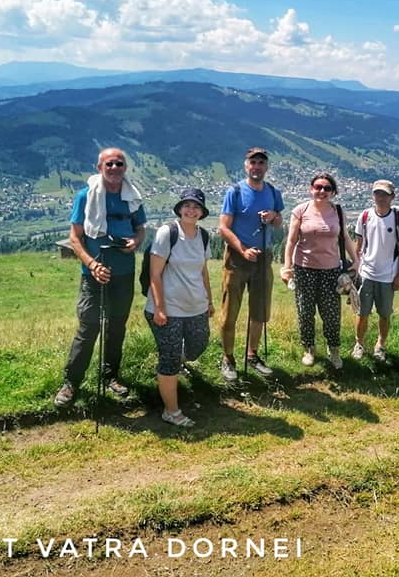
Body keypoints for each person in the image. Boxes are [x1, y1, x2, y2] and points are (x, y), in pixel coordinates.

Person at [54, 147, 147, 407]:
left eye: (119, 164)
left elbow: (140, 229)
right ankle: (71, 382)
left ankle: (110, 376)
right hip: (93, 274)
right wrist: (93, 265)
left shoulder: (132, 197)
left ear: (125, 168)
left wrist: (135, 242)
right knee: (89, 327)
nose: (115, 168)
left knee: (116, 327)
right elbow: (75, 238)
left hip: (124, 272)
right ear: (99, 168)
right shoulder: (85, 196)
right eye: (109, 164)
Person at [145, 188, 214, 427]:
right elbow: (155, 273)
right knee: (170, 358)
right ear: (179, 209)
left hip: (196, 306)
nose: (191, 210)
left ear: (202, 212)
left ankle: (174, 363)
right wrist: (159, 308)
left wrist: (209, 301)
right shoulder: (168, 233)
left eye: (196, 207)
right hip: (168, 309)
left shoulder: (203, 235)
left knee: (198, 345)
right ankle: (171, 411)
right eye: (187, 205)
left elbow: (203, 271)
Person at [217, 147, 285, 381]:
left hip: (263, 257)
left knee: (260, 311)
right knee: (230, 312)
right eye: (253, 162)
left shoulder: (273, 192)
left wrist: (273, 217)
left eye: (261, 163)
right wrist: (243, 250)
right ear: (246, 165)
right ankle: (228, 358)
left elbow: (279, 223)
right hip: (237, 258)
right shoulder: (235, 192)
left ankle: (252, 355)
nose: (257, 166)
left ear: (266, 167)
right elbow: (223, 228)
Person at [280, 172, 354, 368]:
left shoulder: (338, 212)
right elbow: (291, 241)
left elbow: (345, 238)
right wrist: (287, 267)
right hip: (304, 269)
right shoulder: (300, 210)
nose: (322, 191)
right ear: (311, 189)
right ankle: (309, 349)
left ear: (333, 192)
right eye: (318, 187)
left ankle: (333, 349)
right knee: (305, 311)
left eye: (327, 188)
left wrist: (356, 261)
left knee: (331, 314)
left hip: (331, 270)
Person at [352, 179, 399, 362]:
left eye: (384, 194)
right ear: (373, 195)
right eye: (377, 193)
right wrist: (355, 271)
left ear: (392, 197)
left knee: (384, 314)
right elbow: (358, 246)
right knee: (362, 313)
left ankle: (380, 345)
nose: (380, 197)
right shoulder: (365, 216)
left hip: (388, 275)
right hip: (366, 274)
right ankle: (359, 344)